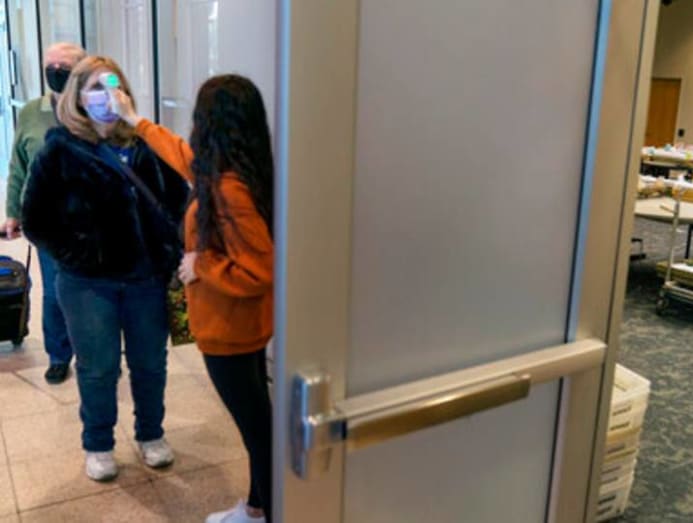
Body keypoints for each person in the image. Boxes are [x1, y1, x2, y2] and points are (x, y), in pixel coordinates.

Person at [21, 56, 189, 481]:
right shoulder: (60, 149)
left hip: (146, 280)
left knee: (150, 363)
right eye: (95, 87)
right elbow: (35, 219)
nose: (106, 96)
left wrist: (170, 250)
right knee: (98, 368)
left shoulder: (145, 144)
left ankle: (151, 434)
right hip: (87, 285)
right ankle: (98, 443)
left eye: (114, 85)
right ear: (77, 97)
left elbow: (180, 200)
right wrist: (78, 254)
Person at [114, 75, 273, 523]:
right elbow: (183, 158)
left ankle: (268, 511)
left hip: (230, 332)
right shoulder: (236, 171)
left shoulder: (228, 190)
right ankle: (257, 508)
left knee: (259, 433)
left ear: (208, 122)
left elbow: (259, 270)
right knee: (260, 426)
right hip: (245, 326)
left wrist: (201, 264)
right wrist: (136, 121)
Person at [1, 42, 85, 384]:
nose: (56, 72)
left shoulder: (95, 109)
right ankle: (59, 355)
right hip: (47, 221)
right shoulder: (31, 113)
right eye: (51, 66)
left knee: (94, 291)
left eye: (64, 66)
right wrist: (12, 212)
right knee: (55, 292)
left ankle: (96, 351)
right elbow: (18, 165)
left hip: (91, 221)